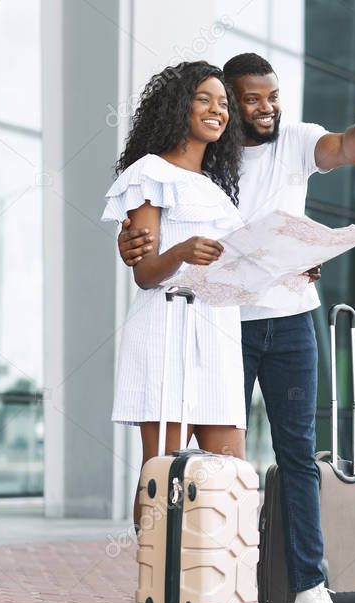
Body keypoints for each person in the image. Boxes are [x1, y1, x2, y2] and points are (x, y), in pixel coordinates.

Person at [116, 52, 355, 603]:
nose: (262, 108)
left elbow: (342, 149)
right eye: (245, 99)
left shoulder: (284, 145)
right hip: (218, 324)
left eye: (268, 97)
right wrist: (141, 243)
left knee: (286, 457)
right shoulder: (208, 169)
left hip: (286, 318)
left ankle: (298, 590)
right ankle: (171, 592)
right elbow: (156, 247)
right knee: (185, 464)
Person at [101, 60, 247, 542]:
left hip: (218, 333)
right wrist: (182, 253)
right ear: (178, 106)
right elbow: (144, 274)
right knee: (163, 474)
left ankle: (217, 598)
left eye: (223, 103)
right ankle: (157, 597)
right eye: (204, 98)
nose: (217, 110)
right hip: (167, 332)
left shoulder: (218, 191)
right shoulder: (149, 173)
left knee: (230, 479)